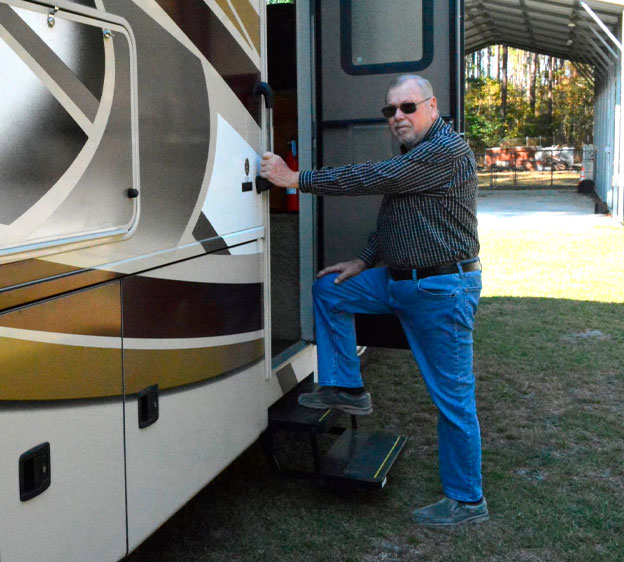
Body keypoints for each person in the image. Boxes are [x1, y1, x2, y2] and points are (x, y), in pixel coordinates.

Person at [260, 75, 487, 527]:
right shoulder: (416, 154)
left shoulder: (445, 150)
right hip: (399, 281)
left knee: (453, 400)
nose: (398, 117)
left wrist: (295, 179)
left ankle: (467, 500)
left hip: (442, 290)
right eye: (390, 111)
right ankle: (347, 387)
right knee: (330, 289)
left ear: (432, 106)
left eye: (407, 107)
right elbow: (393, 218)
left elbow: (373, 177)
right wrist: (363, 262)